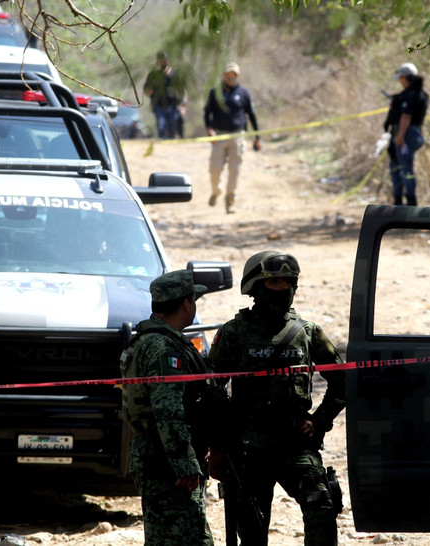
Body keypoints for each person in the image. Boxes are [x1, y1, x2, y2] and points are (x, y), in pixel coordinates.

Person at [208, 251, 347, 545]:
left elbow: (343, 381)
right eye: (275, 282)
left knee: (321, 505)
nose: (283, 288)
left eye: (288, 282)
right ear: (256, 288)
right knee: (252, 529)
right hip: (248, 446)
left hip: (293, 442)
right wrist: (218, 448)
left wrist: (319, 421)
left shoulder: (307, 333)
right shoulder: (234, 333)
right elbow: (211, 392)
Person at [119, 270, 214, 546]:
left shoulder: (150, 339)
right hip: (166, 462)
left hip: (157, 455)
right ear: (187, 303)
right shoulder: (164, 348)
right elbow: (167, 409)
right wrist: (184, 463)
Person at [203, 62, 262, 214]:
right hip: (220, 136)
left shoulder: (243, 93)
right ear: (224, 75)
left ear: (237, 76)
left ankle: (230, 199)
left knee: (234, 170)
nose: (230, 77)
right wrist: (209, 129)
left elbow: (252, 115)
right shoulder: (215, 93)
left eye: (233, 75)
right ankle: (216, 192)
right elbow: (207, 112)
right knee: (215, 169)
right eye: (228, 74)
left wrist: (257, 137)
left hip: (238, 136)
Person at [384, 62, 430, 206]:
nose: (400, 80)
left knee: (405, 169)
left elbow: (406, 117)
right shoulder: (418, 94)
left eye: (401, 77)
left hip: (407, 134)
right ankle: (399, 201)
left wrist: (400, 136)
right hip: (412, 134)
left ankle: (410, 202)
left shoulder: (411, 95)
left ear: (406, 77)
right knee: (398, 166)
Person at [143, 52, 185, 139]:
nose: (163, 62)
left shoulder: (175, 74)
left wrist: (182, 105)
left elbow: (182, 90)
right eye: (161, 60)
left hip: (173, 105)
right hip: (158, 105)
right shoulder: (153, 75)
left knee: (173, 126)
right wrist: (150, 91)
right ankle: (163, 143)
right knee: (161, 125)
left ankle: (171, 143)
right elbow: (146, 89)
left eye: (165, 60)